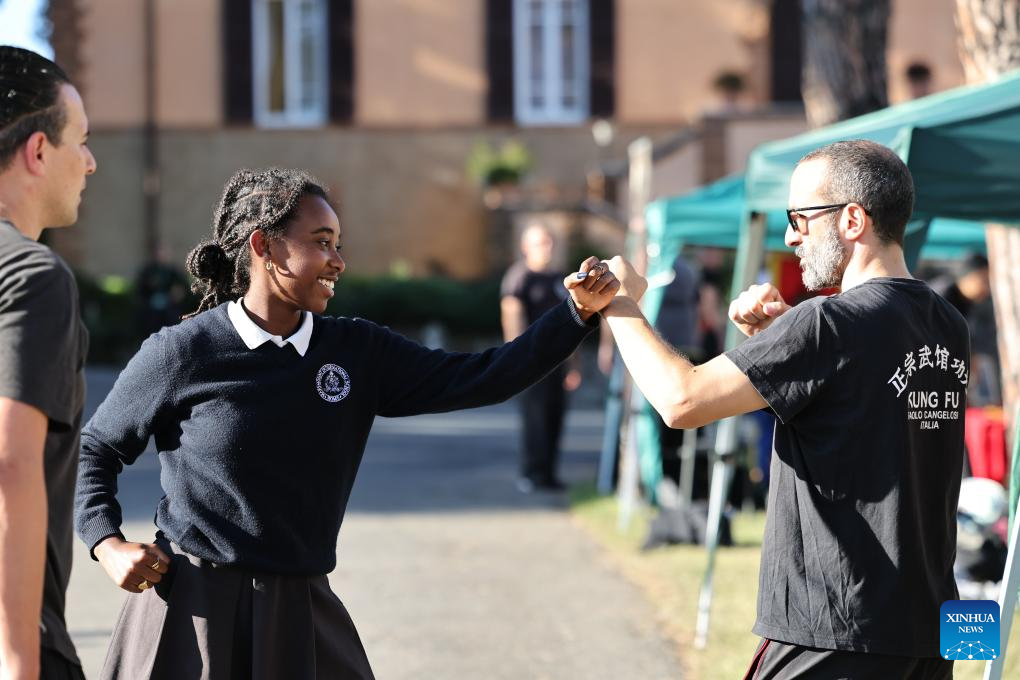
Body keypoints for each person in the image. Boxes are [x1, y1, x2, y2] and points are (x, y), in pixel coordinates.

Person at [74, 168, 618, 679]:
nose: (337, 260)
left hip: (301, 604)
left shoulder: (357, 351)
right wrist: (107, 543)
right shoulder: (184, 351)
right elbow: (95, 447)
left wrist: (574, 316)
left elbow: (481, 377)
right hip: (194, 613)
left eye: (338, 244)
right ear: (264, 247)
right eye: (321, 241)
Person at [599, 140, 966, 679]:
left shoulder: (824, 323)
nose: (791, 235)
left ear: (853, 219)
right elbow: (855, 411)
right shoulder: (944, 322)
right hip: (924, 634)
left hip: (830, 632)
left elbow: (681, 400)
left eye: (800, 217)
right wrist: (777, 340)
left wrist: (619, 302)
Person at [0, 46, 96, 680]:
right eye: (80, 141)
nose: (89, 163)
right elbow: (9, 462)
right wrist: (19, 661)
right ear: (38, 151)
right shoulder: (32, 275)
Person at [500, 223, 580, 492]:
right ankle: (532, 472)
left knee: (555, 417)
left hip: (557, 362)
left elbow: (573, 321)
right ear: (526, 247)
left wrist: (573, 365)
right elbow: (512, 316)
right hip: (531, 361)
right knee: (534, 420)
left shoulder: (560, 279)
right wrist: (518, 358)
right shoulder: (520, 277)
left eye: (549, 242)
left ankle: (549, 473)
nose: (546, 248)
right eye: (539, 243)